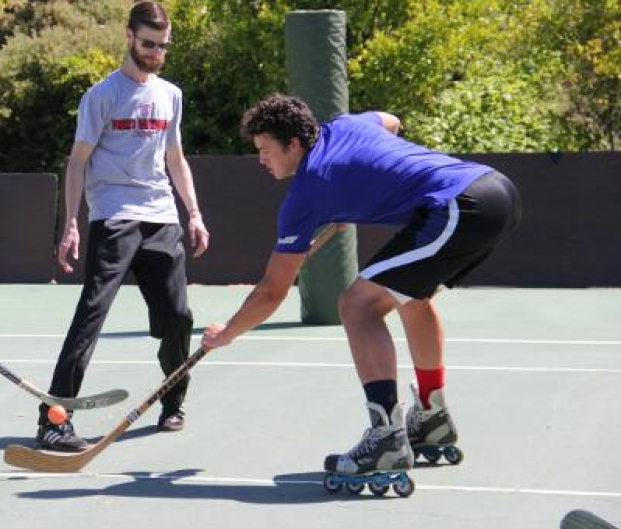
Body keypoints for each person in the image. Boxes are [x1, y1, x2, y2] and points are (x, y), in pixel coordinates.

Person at [201, 93, 521, 478]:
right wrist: (365, 183)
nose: (261, 160)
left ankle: (386, 437)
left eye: (266, 150)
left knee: (357, 305)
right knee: (411, 297)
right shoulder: (345, 126)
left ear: (294, 144)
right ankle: (432, 418)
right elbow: (392, 119)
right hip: (495, 190)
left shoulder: (306, 194)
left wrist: (228, 333)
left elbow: (272, 290)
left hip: (459, 206)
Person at [35, 0, 210, 452]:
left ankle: (174, 401)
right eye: (149, 44)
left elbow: (175, 158)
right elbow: (78, 162)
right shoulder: (102, 95)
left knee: (177, 317)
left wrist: (193, 212)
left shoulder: (171, 95)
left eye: (163, 47)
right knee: (92, 313)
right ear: (129, 36)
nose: (156, 53)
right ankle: (54, 420)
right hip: (114, 216)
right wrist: (70, 223)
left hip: (162, 218)